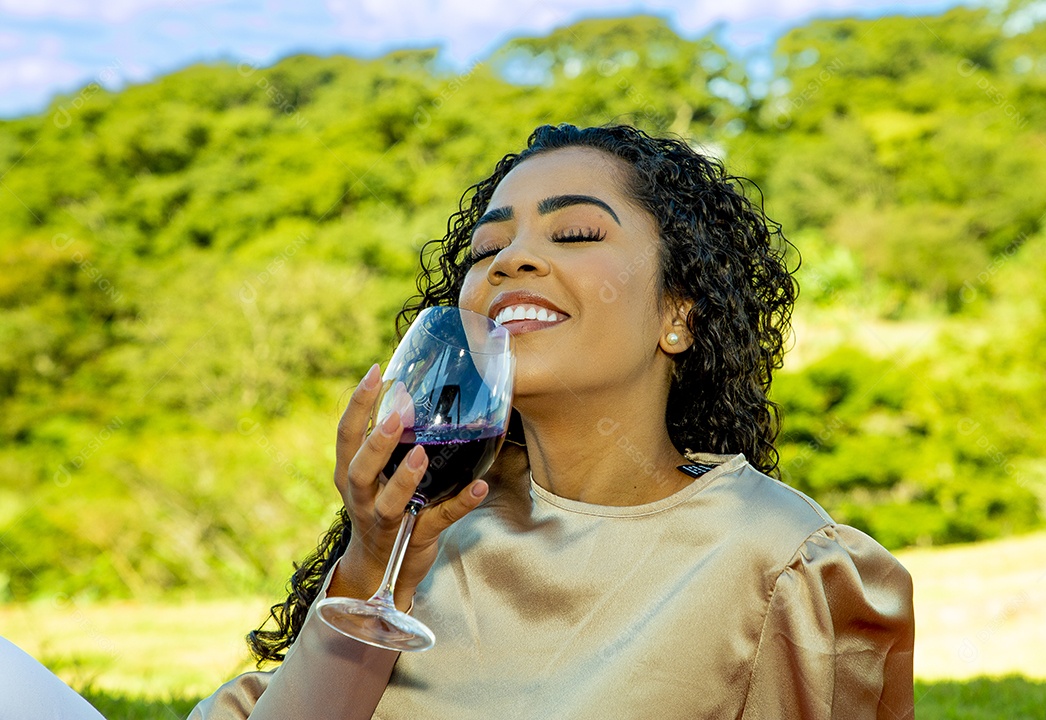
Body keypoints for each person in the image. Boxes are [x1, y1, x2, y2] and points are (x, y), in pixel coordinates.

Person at [189, 124, 915, 719]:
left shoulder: (786, 565)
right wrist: (370, 565)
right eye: (486, 249)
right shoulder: (426, 528)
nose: (514, 260)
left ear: (678, 314)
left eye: (573, 234)